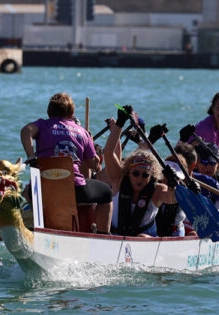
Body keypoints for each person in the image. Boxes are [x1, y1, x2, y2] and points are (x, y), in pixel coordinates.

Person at [20, 92, 113, 234]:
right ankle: (102, 235)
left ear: (49, 112)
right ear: (72, 113)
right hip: (74, 188)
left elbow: (26, 131)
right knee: (106, 192)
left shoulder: (43, 125)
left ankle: (40, 226)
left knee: (29, 191)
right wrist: (90, 143)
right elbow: (94, 165)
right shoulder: (82, 132)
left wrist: (31, 157)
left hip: (44, 187)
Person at [103, 106, 177, 237]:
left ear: (152, 175)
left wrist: (173, 185)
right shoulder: (118, 180)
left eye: (145, 175)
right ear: (129, 171)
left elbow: (173, 199)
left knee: (141, 238)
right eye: (136, 174)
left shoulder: (158, 190)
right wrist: (120, 123)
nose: (140, 178)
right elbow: (109, 153)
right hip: (116, 235)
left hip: (145, 237)